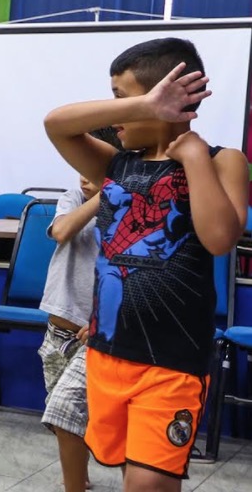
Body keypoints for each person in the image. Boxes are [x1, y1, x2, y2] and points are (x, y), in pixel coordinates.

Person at [44, 38, 248, 491]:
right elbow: (55, 124)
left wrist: (192, 155)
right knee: (128, 471)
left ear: (169, 97)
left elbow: (219, 238)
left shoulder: (222, 161)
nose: (116, 114)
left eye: (123, 98)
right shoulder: (116, 164)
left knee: (147, 483)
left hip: (172, 362)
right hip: (108, 354)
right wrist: (143, 104)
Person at [38, 176, 101, 492]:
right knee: (61, 415)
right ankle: (80, 476)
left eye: (92, 171)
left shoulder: (126, 208)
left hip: (94, 336)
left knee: (65, 409)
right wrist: (102, 197)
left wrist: (102, 320)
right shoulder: (73, 198)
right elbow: (62, 231)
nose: (84, 178)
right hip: (57, 333)